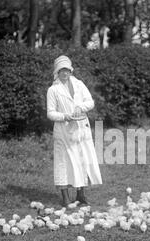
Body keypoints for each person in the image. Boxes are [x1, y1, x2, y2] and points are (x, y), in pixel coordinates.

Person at [46, 55, 102, 207]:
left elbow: (90, 102)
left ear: (71, 70)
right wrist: (65, 116)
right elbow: (50, 113)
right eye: (61, 70)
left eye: (67, 70)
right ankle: (65, 197)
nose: (65, 73)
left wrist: (80, 108)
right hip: (63, 132)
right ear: (57, 72)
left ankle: (81, 195)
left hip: (81, 130)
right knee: (63, 163)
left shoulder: (79, 84)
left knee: (82, 160)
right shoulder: (53, 90)